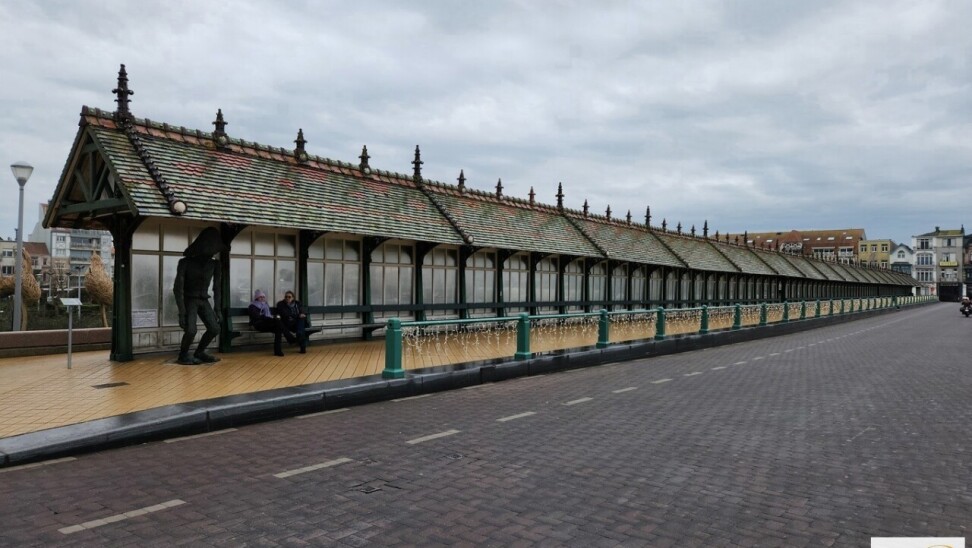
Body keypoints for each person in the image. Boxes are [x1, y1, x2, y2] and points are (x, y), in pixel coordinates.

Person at [174, 227, 226, 365]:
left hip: (203, 300)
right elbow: (178, 288)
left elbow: (217, 288)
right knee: (191, 330)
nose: (213, 253)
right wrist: (182, 312)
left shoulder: (215, 264)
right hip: (190, 299)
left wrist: (218, 309)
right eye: (211, 250)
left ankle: (200, 352)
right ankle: (183, 355)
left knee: (215, 328)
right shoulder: (185, 263)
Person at [248, 289, 295, 356]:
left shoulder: (265, 305)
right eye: (260, 297)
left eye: (263, 297)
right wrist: (269, 319)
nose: (262, 298)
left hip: (267, 323)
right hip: (258, 324)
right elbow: (257, 317)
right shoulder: (252, 306)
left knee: (278, 328)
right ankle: (290, 338)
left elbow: (267, 316)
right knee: (277, 322)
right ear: (256, 298)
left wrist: (270, 319)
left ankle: (278, 351)